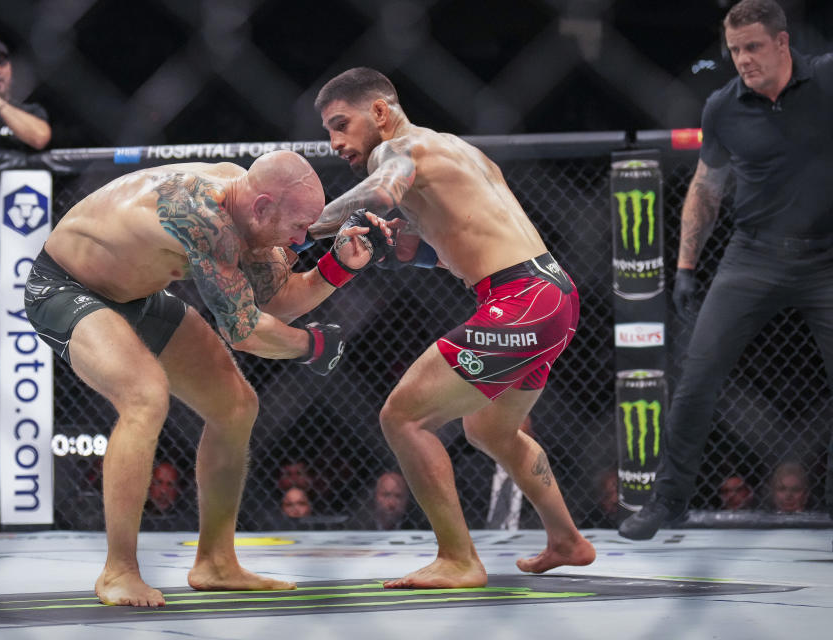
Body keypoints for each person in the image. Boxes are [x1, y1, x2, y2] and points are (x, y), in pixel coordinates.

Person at [24, 150, 390, 606]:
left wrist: (338, 267)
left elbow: (277, 300)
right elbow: (244, 331)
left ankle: (216, 562)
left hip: (138, 296)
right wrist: (312, 346)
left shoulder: (249, 210)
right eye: (297, 227)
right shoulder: (202, 215)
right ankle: (119, 571)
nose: (300, 241)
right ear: (262, 208)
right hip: (66, 288)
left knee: (236, 406)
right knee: (145, 395)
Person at [307, 67, 596, 588]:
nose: (335, 142)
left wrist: (301, 225)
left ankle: (458, 558)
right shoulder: (455, 149)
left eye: (341, 124)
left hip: (521, 300)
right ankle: (567, 540)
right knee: (488, 428)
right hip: (550, 293)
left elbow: (379, 191)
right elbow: (456, 243)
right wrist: (404, 252)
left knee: (402, 417)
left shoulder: (394, 152)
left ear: (379, 112)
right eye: (329, 130)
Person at [619, 0, 833, 540]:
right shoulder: (722, 106)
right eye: (735, 50)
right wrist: (687, 265)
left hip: (827, 253)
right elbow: (706, 186)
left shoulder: (827, 79)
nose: (743, 59)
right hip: (753, 253)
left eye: (753, 47)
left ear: (783, 43)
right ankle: (668, 502)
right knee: (696, 380)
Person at [347, 470, 423, 530]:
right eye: (385, 495)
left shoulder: (420, 527)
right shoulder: (357, 526)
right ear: (375, 496)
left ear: (407, 499)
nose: (391, 503)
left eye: (398, 496)